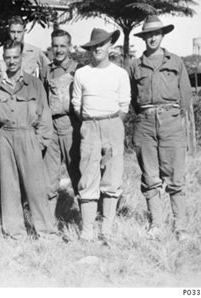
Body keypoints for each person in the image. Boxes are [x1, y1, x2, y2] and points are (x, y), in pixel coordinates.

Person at [128, 15, 192, 242]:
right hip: (145, 122)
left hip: (171, 121)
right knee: (149, 175)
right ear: (143, 37)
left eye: (156, 33)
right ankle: (156, 224)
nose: (152, 38)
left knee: (176, 176)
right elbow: (132, 99)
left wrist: (174, 119)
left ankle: (181, 227)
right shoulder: (135, 66)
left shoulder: (175, 61)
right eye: (148, 34)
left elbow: (185, 96)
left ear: (162, 35)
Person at [0, 40, 56, 240]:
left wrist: (38, 143)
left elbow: (45, 117)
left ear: (22, 57)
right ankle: (15, 232)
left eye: (16, 57)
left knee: (36, 188)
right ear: (3, 59)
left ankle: (46, 232)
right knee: (9, 188)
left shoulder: (34, 84)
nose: (12, 61)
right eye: (8, 58)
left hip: (28, 136)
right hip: (5, 138)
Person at [72, 28, 130, 243]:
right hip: (89, 126)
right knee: (88, 176)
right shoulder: (81, 73)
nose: (97, 48)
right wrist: (91, 123)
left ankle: (107, 229)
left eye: (101, 44)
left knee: (112, 176)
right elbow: (77, 105)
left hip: (113, 124)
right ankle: (87, 230)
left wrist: (111, 123)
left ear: (110, 46)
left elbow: (125, 104)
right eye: (93, 45)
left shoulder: (119, 73)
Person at [41, 29, 81, 217]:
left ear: (70, 47)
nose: (58, 50)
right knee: (49, 178)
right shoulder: (46, 70)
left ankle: (87, 220)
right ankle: (48, 222)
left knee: (77, 174)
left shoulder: (78, 69)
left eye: (62, 46)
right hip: (50, 128)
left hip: (71, 126)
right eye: (55, 46)